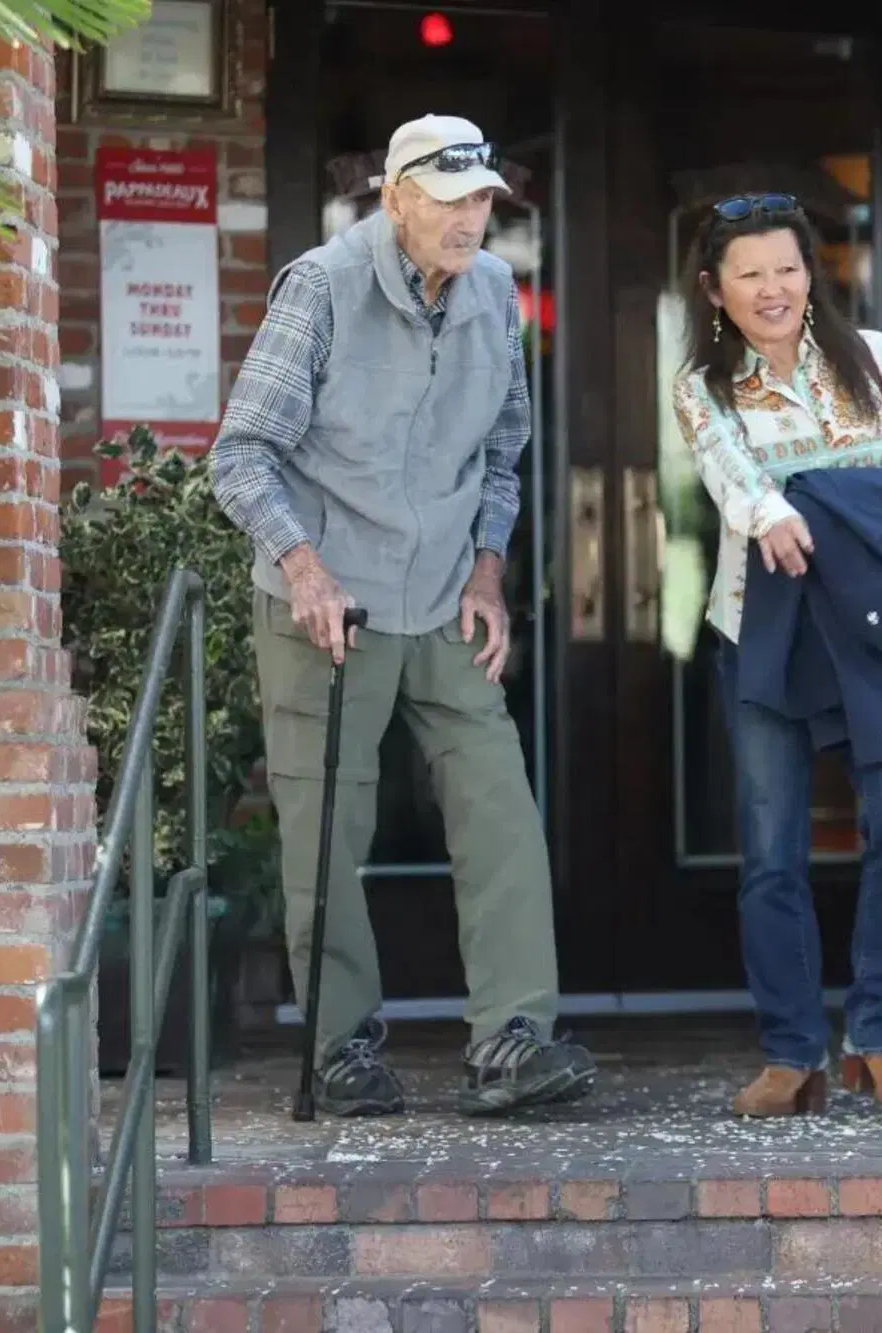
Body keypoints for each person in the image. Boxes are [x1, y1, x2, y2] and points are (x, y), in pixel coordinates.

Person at [211, 114, 594, 1118]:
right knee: (327, 831)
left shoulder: (495, 291)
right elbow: (241, 454)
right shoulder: (321, 286)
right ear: (394, 199)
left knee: (498, 807)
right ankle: (339, 1047)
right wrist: (302, 567)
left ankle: (512, 1037)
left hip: (443, 596)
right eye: (449, 200)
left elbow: (501, 453)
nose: (470, 220)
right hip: (327, 600)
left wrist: (487, 571)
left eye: (482, 202)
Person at [671, 194, 882, 1117]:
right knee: (771, 849)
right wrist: (790, 505)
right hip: (764, 627)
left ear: (811, 274)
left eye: (787, 268)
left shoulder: (873, 357)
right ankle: (792, 1052)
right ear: (714, 288)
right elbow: (740, 488)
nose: (773, 288)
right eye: (750, 273)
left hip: (877, 630)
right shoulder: (703, 385)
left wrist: (814, 502)